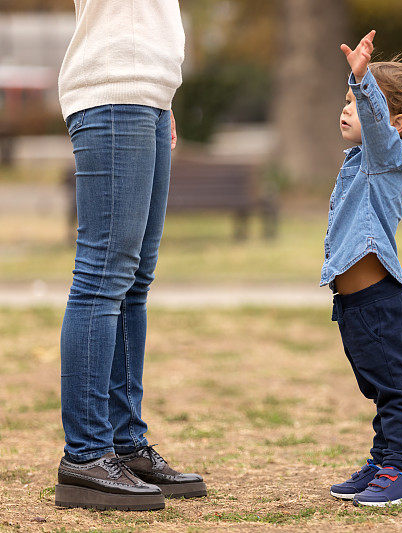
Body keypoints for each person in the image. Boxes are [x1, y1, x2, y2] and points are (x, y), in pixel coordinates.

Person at [55, 0, 206, 511]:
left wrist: (162, 99)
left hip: (148, 94)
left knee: (133, 283)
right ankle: (87, 454)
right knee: (102, 278)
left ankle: (123, 444)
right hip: (113, 89)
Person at [322, 30, 402, 507]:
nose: (348, 107)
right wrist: (362, 85)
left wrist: (363, 77)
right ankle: (383, 457)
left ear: (396, 122)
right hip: (354, 304)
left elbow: (377, 126)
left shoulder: (389, 158)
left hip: (380, 302)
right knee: (375, 385)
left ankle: (401, 472)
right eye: (346, 99)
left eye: (358, 101)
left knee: (394, 388)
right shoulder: (357, 162)